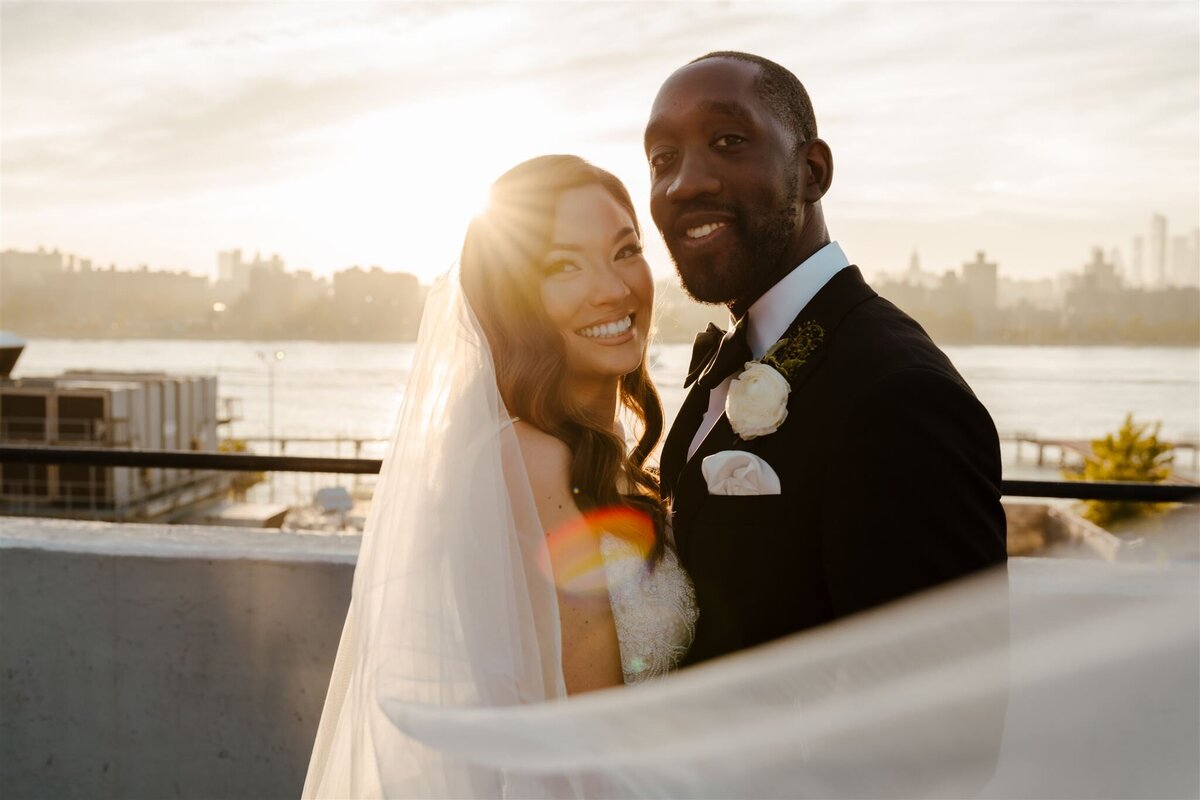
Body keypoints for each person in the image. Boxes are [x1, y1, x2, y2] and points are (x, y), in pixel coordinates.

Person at [302, 155, 696, 798]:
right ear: (513, 296)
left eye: (625, 251)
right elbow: (589, 735)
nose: (614, 288)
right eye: (564, 266)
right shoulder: (533, 462)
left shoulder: (589, 450)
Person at [646, 51, 1008, 666]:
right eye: (663, 160)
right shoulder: (740, 354)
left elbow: (944, 728)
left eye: (728, 140)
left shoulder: (900, 397)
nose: (686, 182)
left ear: (812, 171)